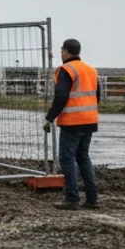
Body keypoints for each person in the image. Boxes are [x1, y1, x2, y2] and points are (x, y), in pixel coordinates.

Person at [45, 39, 100, 210]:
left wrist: (50, 117)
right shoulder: (91, 70)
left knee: (67, 159)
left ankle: (72, 198)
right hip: (89, 120)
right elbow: (97, 96)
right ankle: (92, 199)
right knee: (83, 157)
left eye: (62, 51)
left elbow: (61, 96)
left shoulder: (66, 70)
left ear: (66, 51)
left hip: (72, 122)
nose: (61, 54)